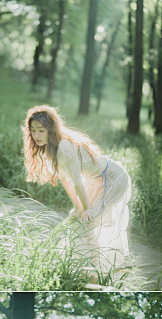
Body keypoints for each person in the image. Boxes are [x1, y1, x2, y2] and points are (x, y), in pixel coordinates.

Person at [22, 105, 131, 268]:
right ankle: (80, 264)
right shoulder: (49, 148)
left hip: (112, 179)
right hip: (95, 181)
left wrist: (86, 209)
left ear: (51, 129)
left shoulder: (64, 147)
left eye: (41, 130)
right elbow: (65, 180)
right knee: (75, 218)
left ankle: (94, 269)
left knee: (88, 221)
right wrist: (78, 207)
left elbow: (77, 182)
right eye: (33, 130)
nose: (36, 135)